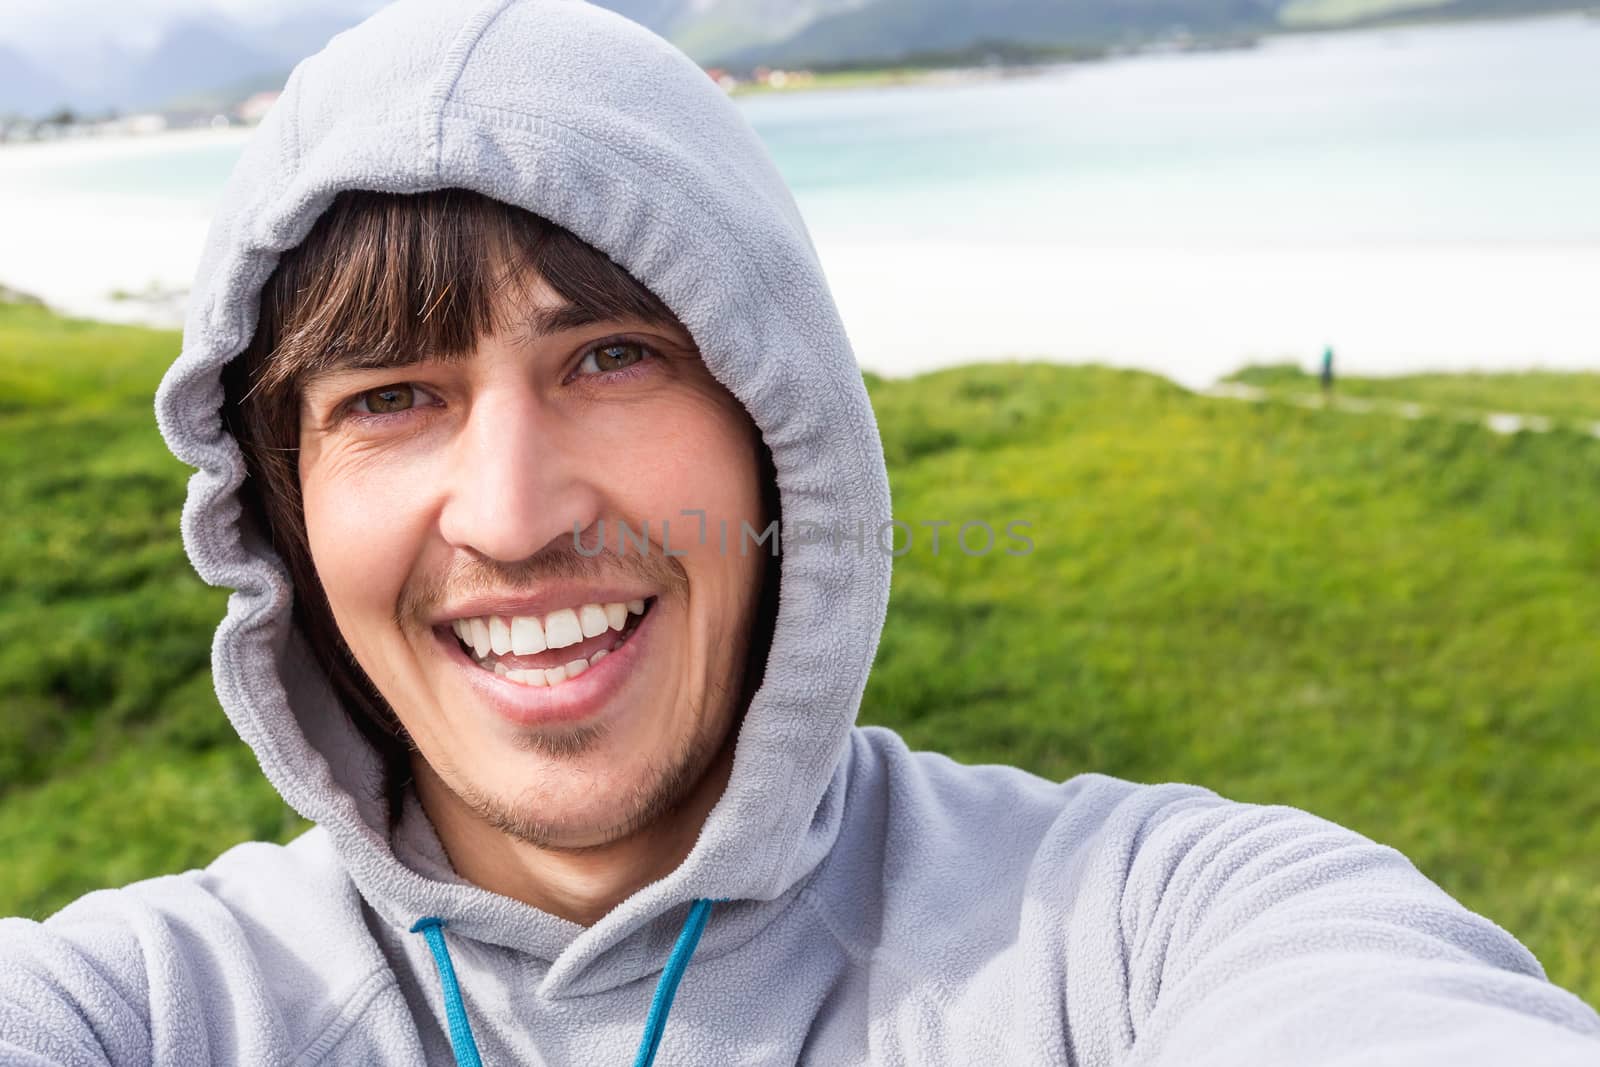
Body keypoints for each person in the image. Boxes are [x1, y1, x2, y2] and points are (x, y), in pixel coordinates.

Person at [3, 2, 1598, 1064]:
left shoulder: (1149, 927)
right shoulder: (147, 1008)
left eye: (612, 357)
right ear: (283, 514)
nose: (511, 512)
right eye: (391, 398)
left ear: (785, 441)